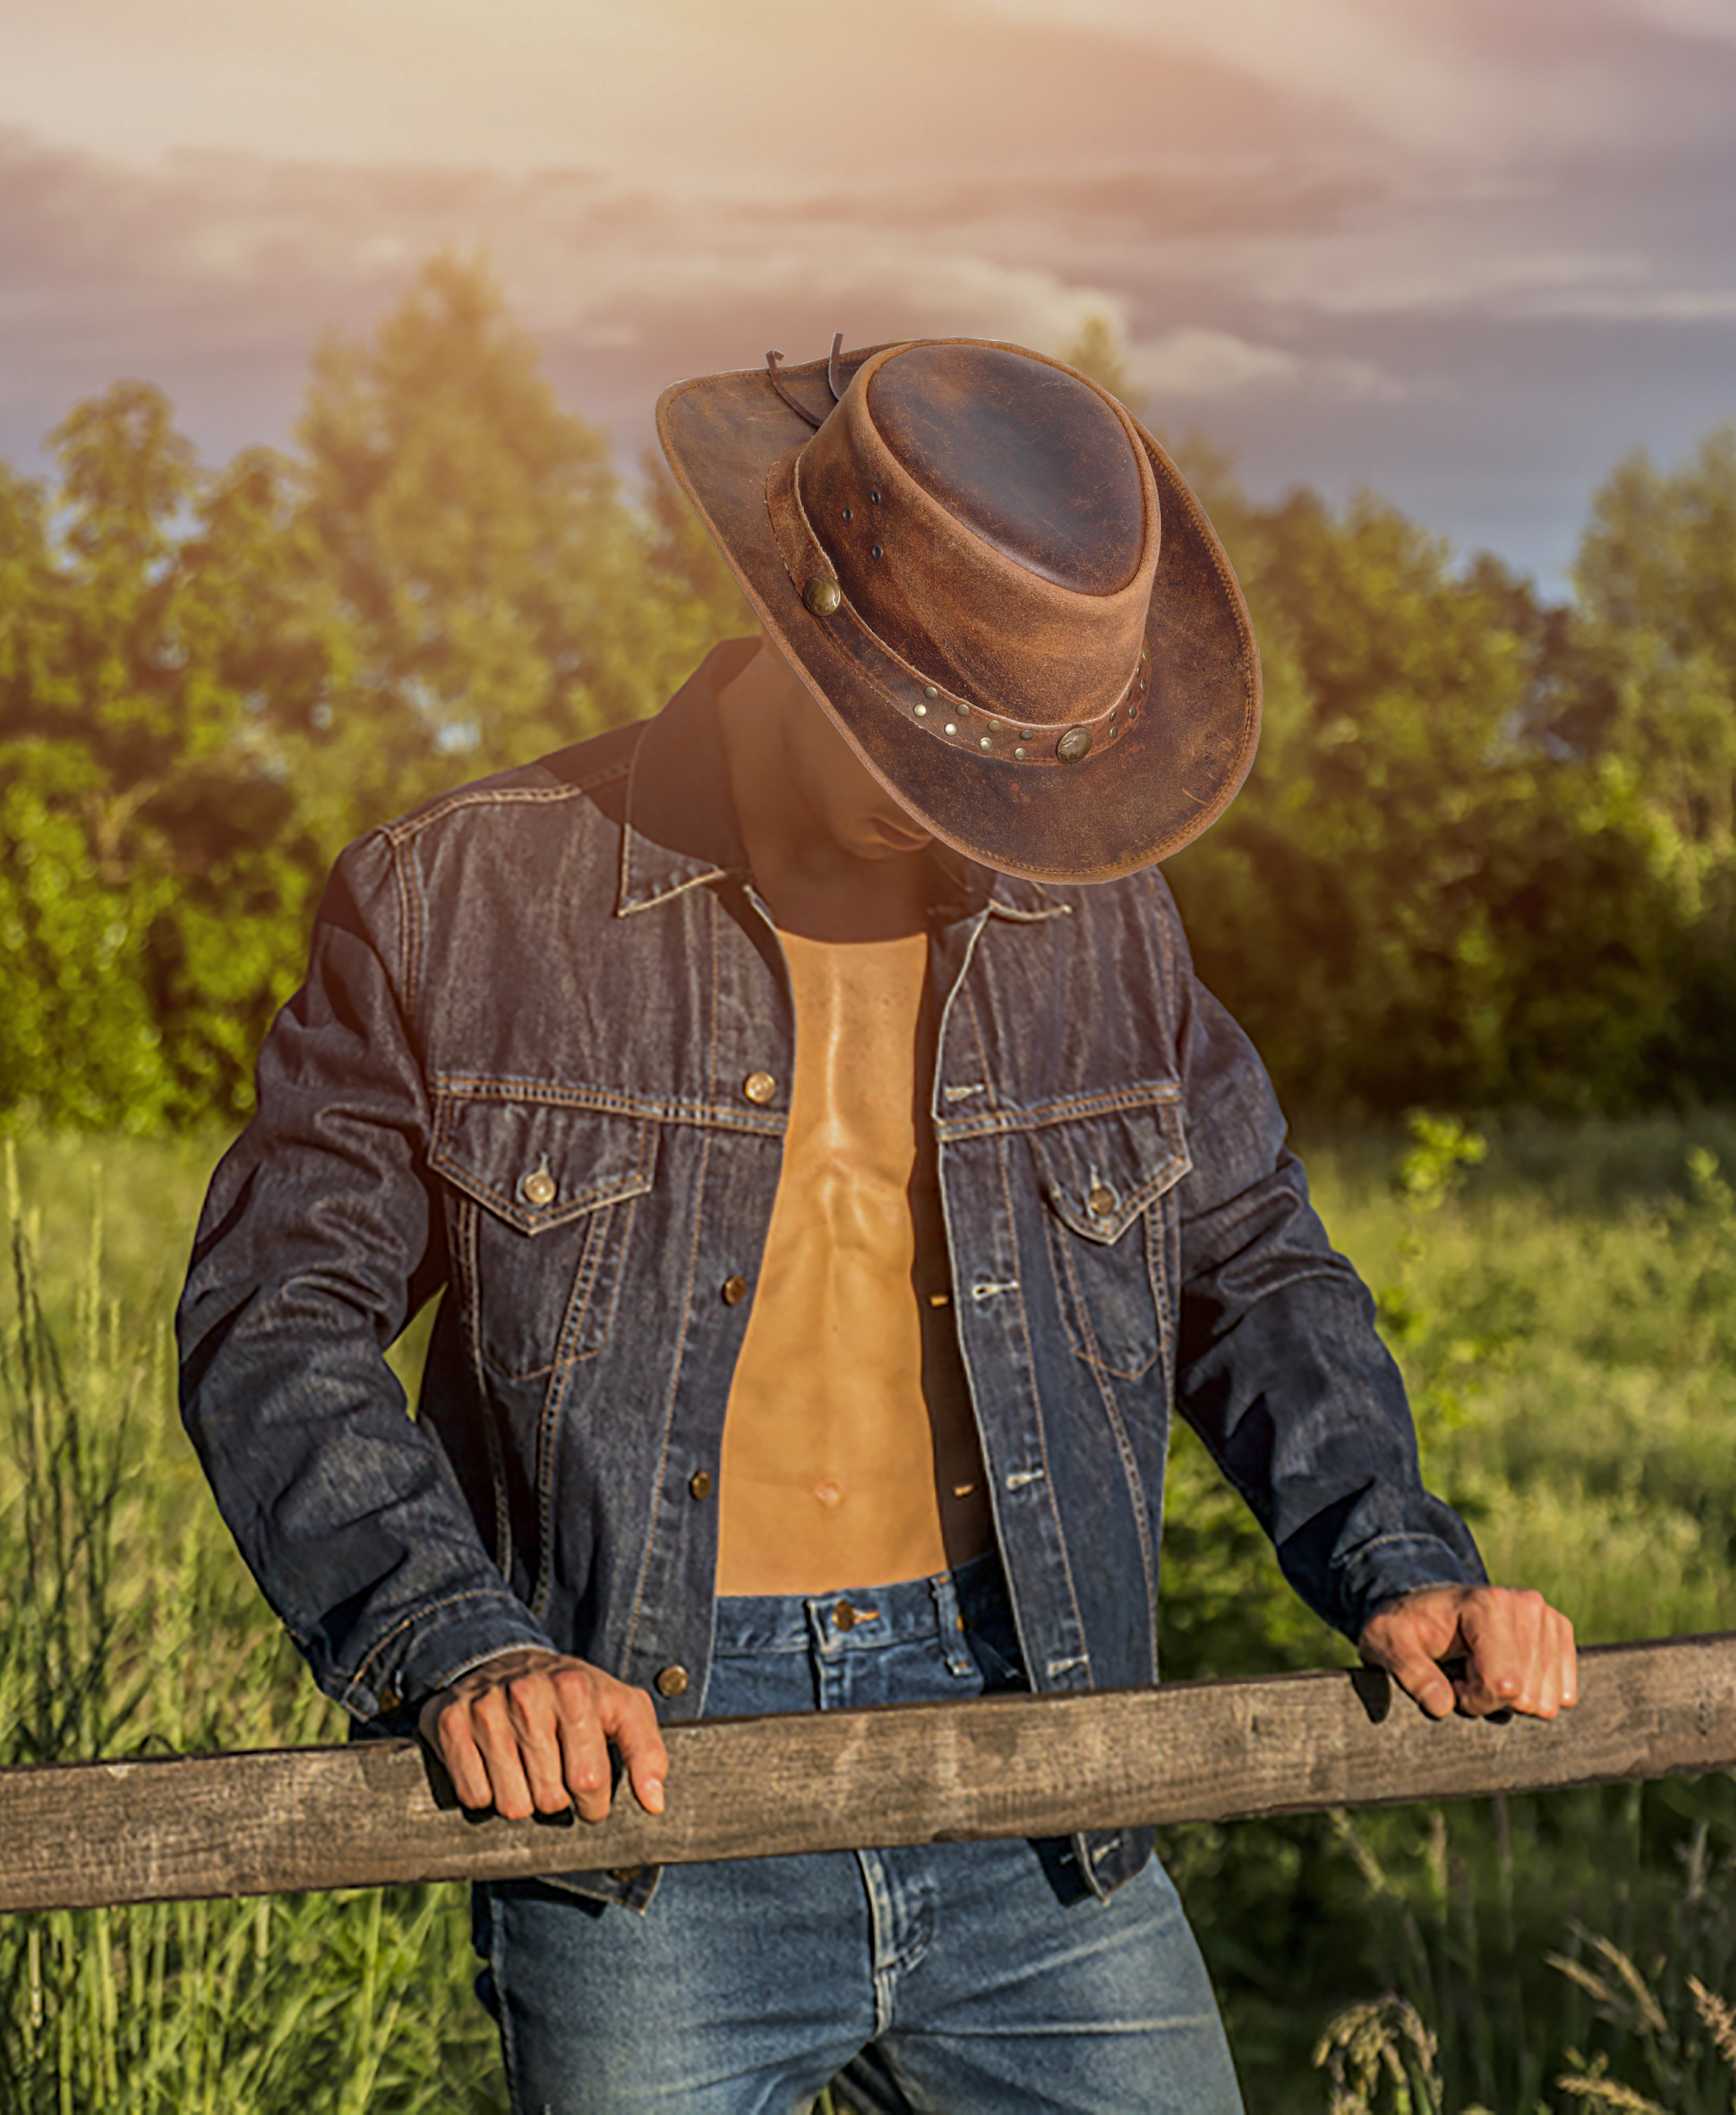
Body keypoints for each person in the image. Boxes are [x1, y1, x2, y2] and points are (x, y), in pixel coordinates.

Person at [177, 335, 1577, 2112]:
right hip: (639, 1782)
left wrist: (1400, 1555)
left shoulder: (1104, 923)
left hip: (1033, 1751)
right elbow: (273, 1318)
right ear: (796, 604)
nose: (956, 803)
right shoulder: (459, 898)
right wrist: (459, 1640)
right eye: (916, 737)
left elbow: (1248, 1266)